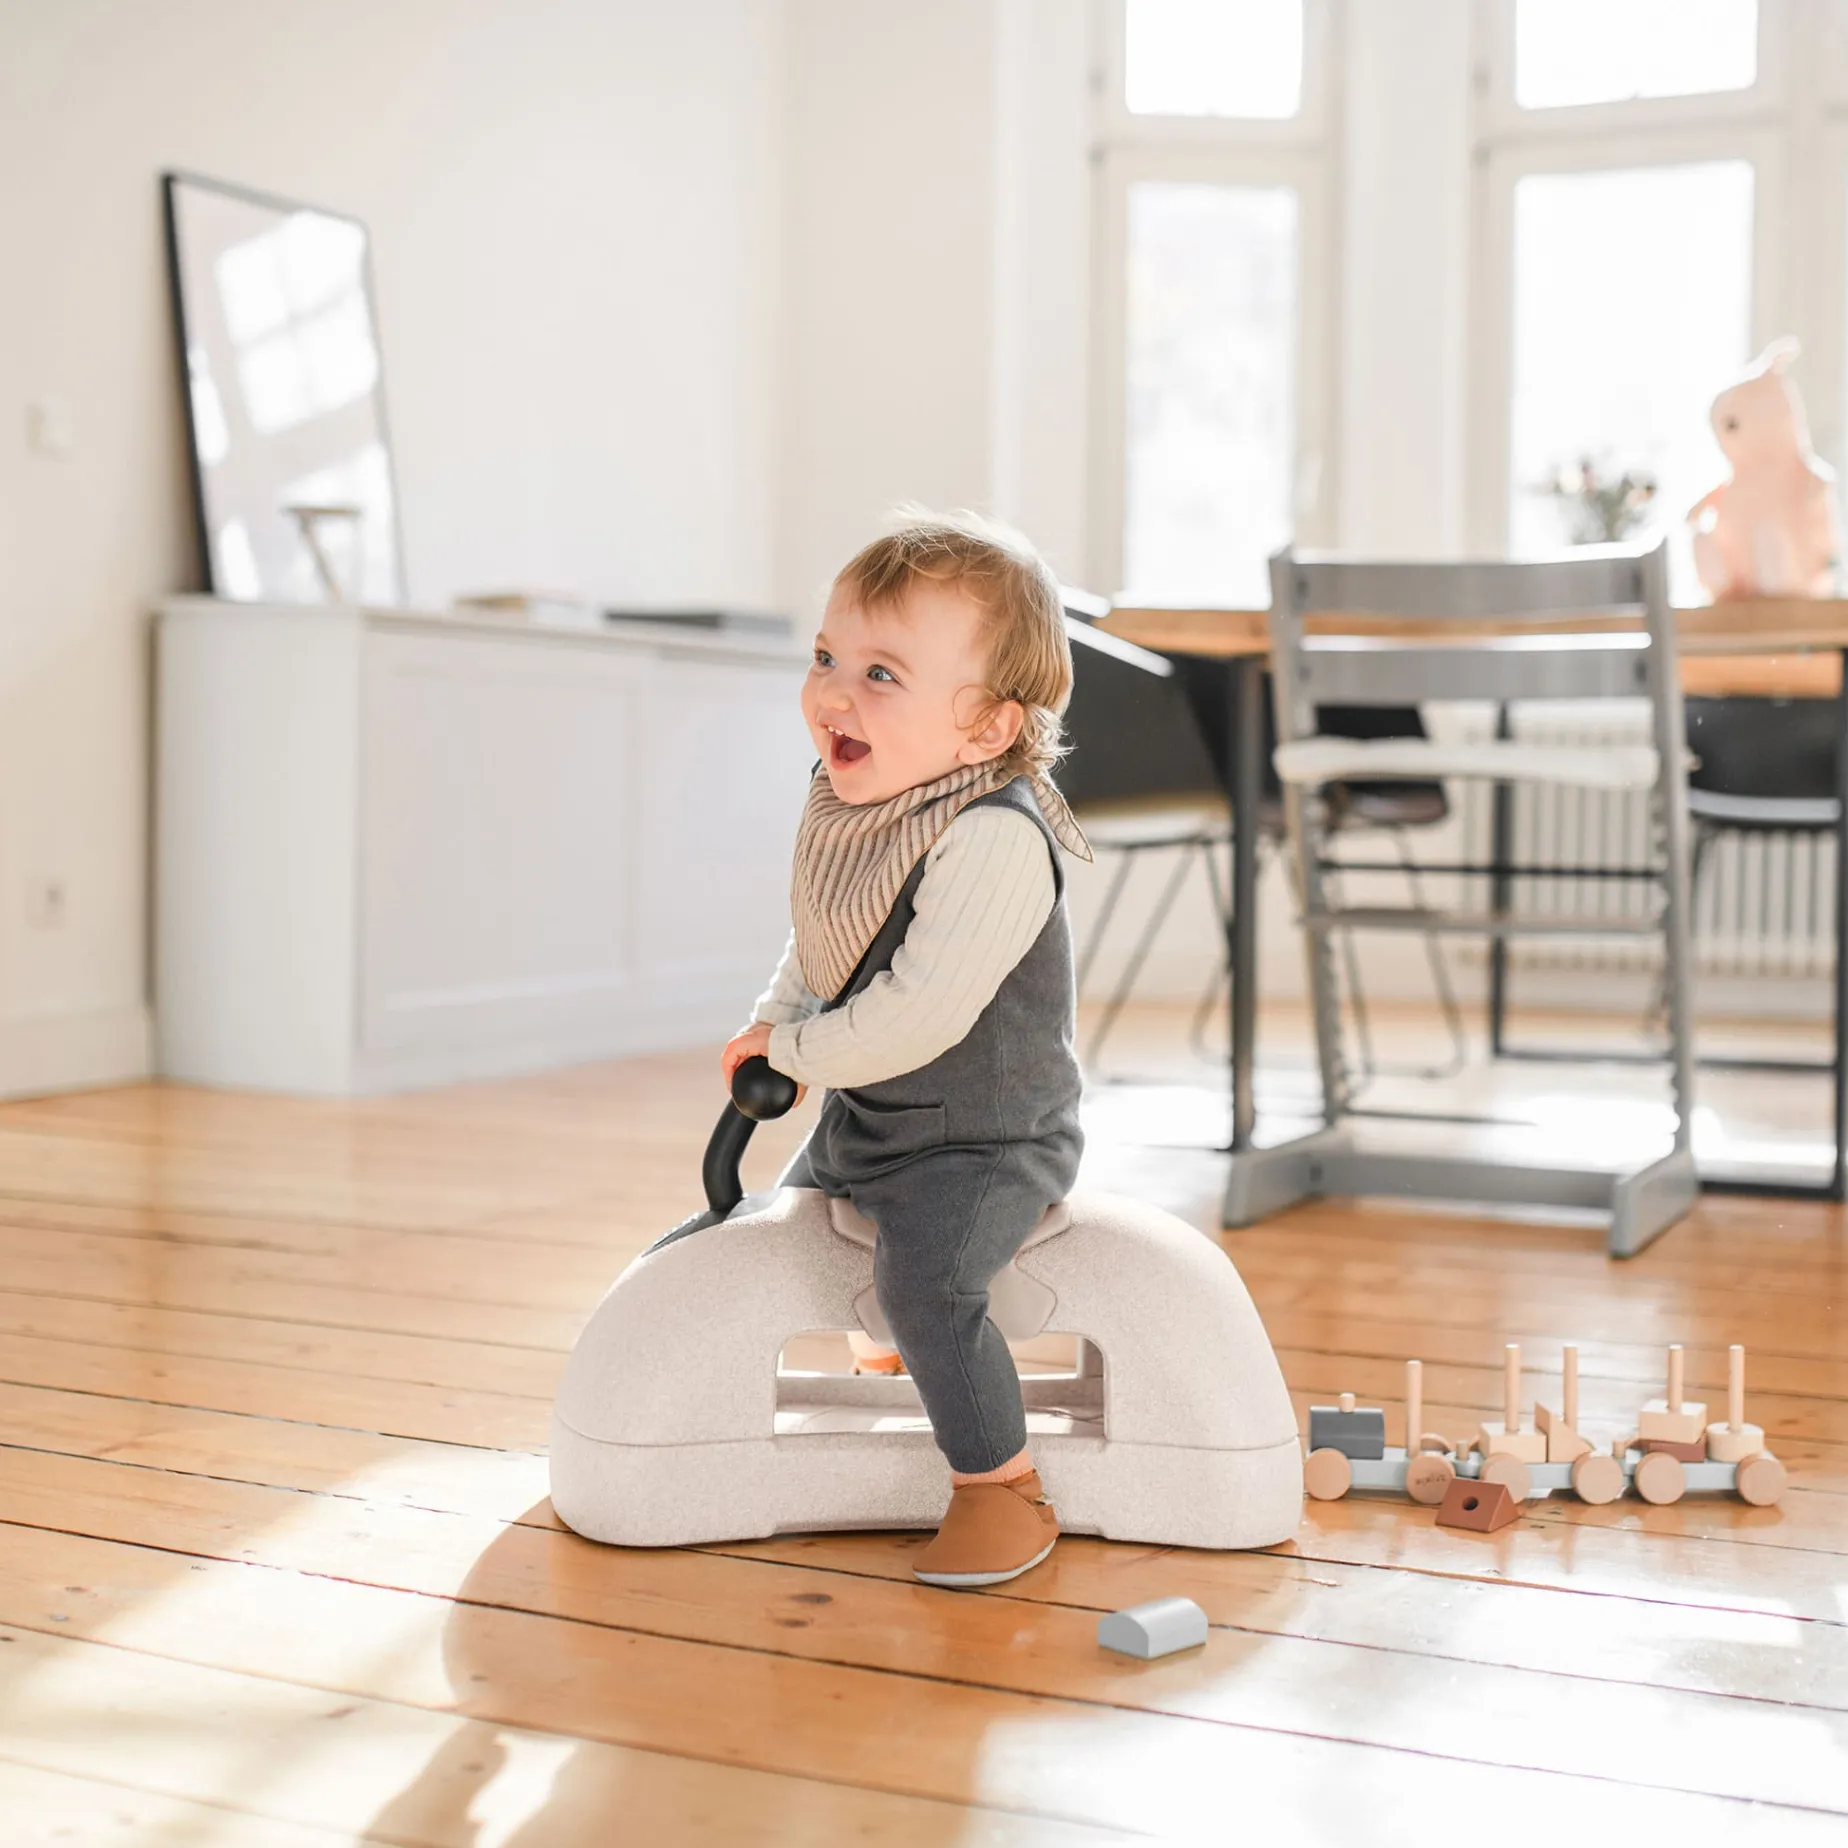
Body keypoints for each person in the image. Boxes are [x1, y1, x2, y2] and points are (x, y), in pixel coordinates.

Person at [722, 510, 1091, 1588]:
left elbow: (918, 1014)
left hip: (983, 1139)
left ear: (985, 728)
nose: (835, 694)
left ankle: (1001, 1487)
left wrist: (798, 1051)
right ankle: (888, 1375)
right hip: (877, 1117)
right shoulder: (864, 804)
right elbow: (826, 938)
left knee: (928, 1282)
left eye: (881, 674)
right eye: (826, 658)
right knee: (784, 1235)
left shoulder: (993, 838)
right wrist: (774, 1021)